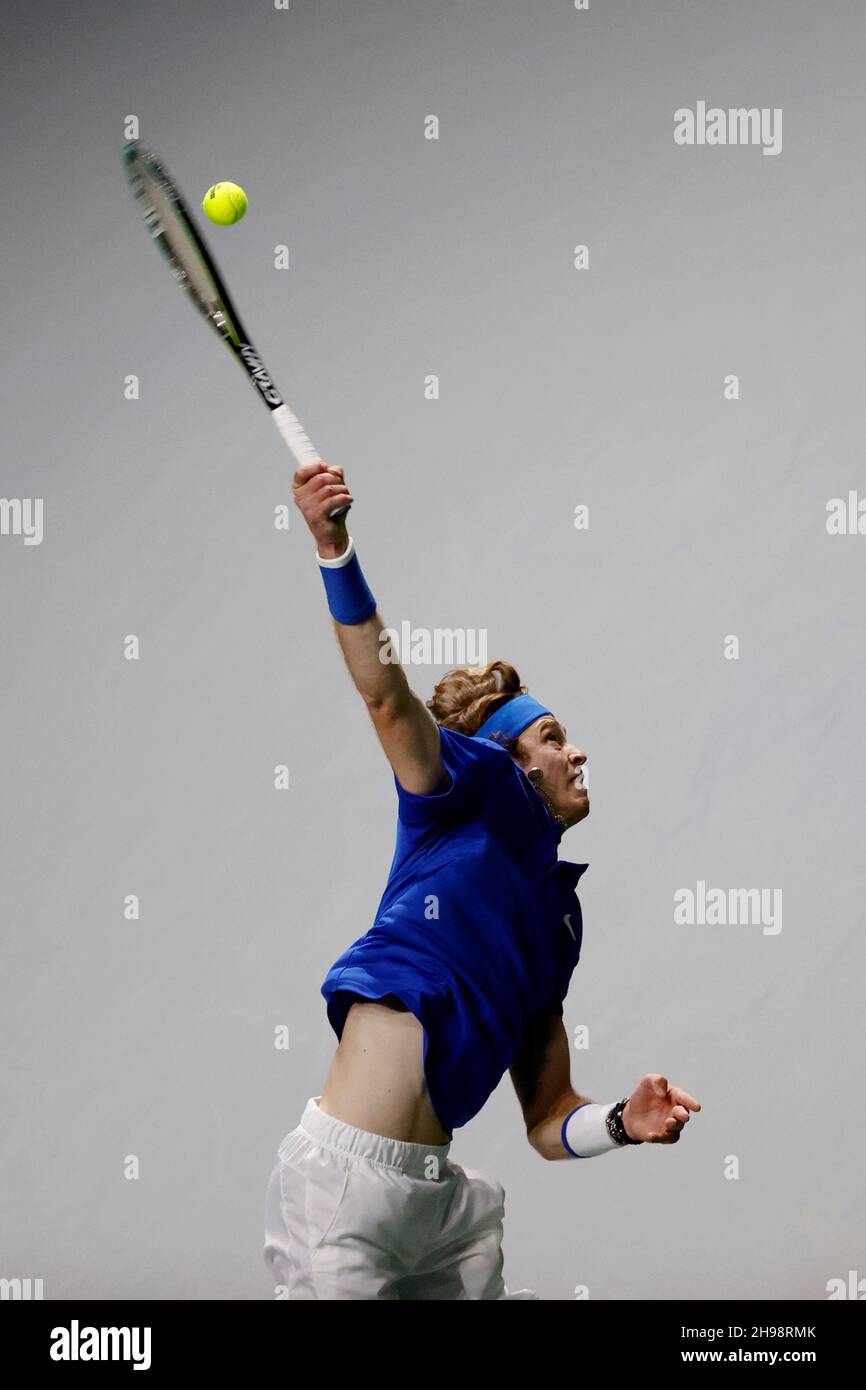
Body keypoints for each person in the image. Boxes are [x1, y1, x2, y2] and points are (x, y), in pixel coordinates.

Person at [263, 460, 701, 1300]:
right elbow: (389, 700)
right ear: (503, 758)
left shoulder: (556, 922)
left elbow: (546, 1119)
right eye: (551, 735)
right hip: (343, 1187)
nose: (576, 750)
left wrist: (621, 1122)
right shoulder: (461, 796)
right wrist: (333, 547)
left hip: (444, 1213)